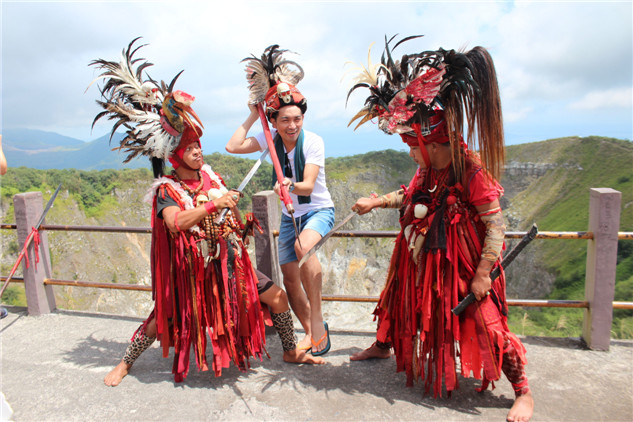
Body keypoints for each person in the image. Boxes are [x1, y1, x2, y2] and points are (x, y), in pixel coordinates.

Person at [89, 39, 323, 387]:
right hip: (193, 270)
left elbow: (229, 214)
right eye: (190, 148)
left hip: (231, 261)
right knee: (161, 322)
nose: (198, 152)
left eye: (198, 145)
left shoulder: (211, 177)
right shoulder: (167, 190)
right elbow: (175, 223)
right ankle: (125, 363)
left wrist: (231, 211)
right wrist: (214, 205)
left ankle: (290, 350)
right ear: (175, 156)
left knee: (277, 297)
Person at [346, 38, 534, 422]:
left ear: (431, 143)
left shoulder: (471, 171)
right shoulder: (428, 169)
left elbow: (495, 225)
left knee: (484, 320)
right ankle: (383, 345)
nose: (410, 152)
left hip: (462, 265)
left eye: (412, 145)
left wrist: (483, 274)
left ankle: (522, 390)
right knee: (398, 300)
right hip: (419, 256)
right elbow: (410, 194)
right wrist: (376, 202)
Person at [226, 46, 335, 356]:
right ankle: (310, 333)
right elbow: (233, 146)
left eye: (297, 118)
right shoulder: (269, 137)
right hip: (291, 216)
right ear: (273, 120)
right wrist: (253, 114)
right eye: (285, 119)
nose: (292, 125)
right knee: (289, 277)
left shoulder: (313, 142)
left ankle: (317, 318)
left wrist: (289, 184)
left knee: (303, 247)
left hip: (317, 209)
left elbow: (308, 185)